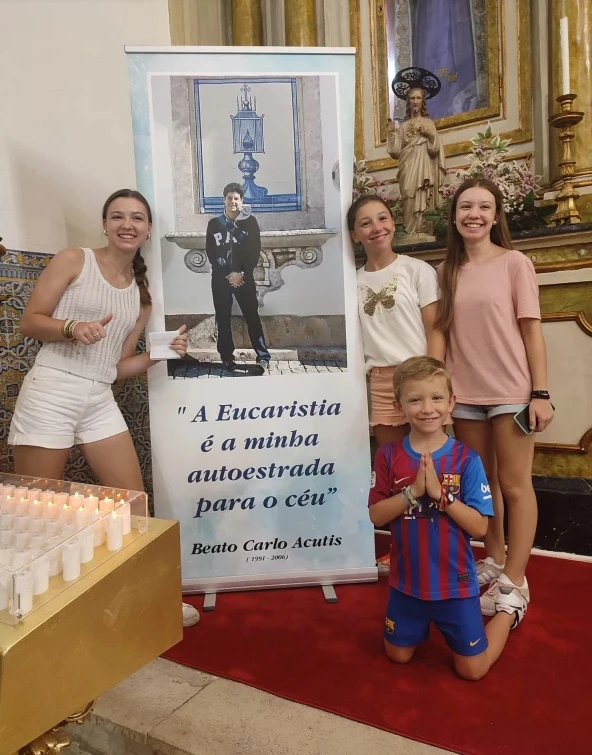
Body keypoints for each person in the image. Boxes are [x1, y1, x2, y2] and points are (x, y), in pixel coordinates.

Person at [9, 188, 200, 628]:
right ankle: (34, 613)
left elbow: (116, 367)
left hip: (98, 396)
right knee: (37, 510)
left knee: (133, 504)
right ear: (105, 224)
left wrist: (159, 354)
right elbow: (30, 320)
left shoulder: (139, 296)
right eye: (117, 216)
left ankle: (150, 599)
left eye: (137, 218)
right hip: (51, 390)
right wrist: (73, 327)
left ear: (148, 229)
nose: (127, 224)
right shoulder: (74, 259)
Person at [436, 178, 553, 618]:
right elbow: (443, 336)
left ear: (496, 215)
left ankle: (516, 582)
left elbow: (532, 332)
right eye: (466, 206)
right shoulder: (445, 272)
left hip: (511, 393)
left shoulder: (515, 263)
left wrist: (540, 393)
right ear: (453, 216)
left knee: (515, 486)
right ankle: (495, 559)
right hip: (464, 394)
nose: (475, 214)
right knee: (482, 488)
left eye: (485, 207)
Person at [369, 356, 524, 681]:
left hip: (456, 585)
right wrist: (413, 492)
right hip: (407, 584)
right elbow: (375, 515)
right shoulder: (387, 456)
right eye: (416, 399)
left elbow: (480, 526)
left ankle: (508, 613)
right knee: (397, 656)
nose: (428, 408)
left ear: (451, 402)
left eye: (437, 398)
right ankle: (420, 623)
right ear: (400, 405)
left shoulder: (466, 459)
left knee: (472, 670)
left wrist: (441, 496)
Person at [349, 193, 443, 450]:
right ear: (355, 234)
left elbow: (435, 329)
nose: (377, 228)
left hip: (420, 374)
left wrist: (434, 378)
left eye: (382, 218)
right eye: (365, 223)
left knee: (430, 458)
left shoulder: (417, 270)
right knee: (394, 464)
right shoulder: (352, 282)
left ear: (393, 223)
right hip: (381, 380)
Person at [205, 182, 271, 372]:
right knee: (223, 319)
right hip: (221, 279)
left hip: (244, 278)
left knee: (252, 316)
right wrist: (228, 274)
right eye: (229, 198)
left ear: (242, 201)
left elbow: (254, 251)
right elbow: (211, 252)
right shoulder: (214, 224)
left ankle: (263, 357)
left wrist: (241, 273)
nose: (232, 201)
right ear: (223, 200)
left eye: (236, 198)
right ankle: (226, 357)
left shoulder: (250, 223)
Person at [386, 84, 446, 237]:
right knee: (407, 192)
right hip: (408, 163)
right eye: (412, 98)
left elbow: (435, 149)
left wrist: (430, 135)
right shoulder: (404, 125)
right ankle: (409, 229)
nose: (415, 101)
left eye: (418, 98)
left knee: (423, 191)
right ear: (408, 102)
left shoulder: (428, 123)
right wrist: (392, 133)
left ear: (422, 102)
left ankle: (423, 228)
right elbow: (395, 151)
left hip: (424, 163)